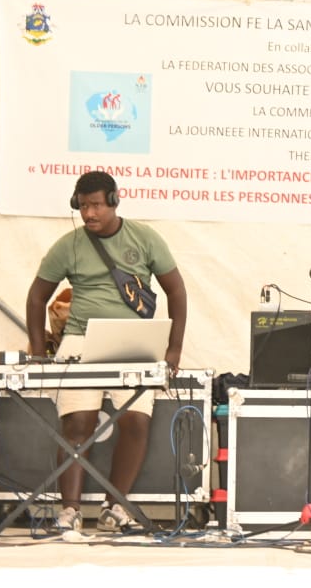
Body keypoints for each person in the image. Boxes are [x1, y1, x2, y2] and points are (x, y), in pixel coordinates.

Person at [25, 171, 189, 533]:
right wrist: (37, 353)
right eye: (83, 206)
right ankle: (70, 511)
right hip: (80, 338)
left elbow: (176, 291)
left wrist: (173, 349)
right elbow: (37, 297)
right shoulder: (68, 245)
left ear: (114, 200)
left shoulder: (145, 238)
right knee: (77, 423)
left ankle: (115, 507)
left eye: (97, 204)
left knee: (136, 421)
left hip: (135, 340)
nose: (89, 213)